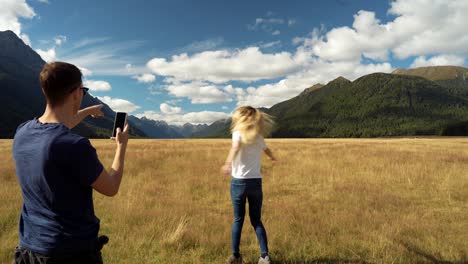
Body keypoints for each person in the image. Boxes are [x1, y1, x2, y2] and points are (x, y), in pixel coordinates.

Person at [12, 61, 129, 264]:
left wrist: (85, 111)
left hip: (28, 250)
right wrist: (121, 146)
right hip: (70, 254)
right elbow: (111, 187)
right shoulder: (74, 145)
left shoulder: (22, 132)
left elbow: (56, 126)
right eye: (83, 90)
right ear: (76, 93)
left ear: (44, 90)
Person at [221, 106, 277, 264]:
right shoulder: (259, 136)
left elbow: (235, 147)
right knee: (256, 220)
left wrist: (227, 163)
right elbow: (266, 149)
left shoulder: (237, 133)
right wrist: (273, 157)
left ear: (240, 118)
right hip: (256, 183)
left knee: (238, 219)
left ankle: (236, 257)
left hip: (239, 182)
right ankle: (265, 257)